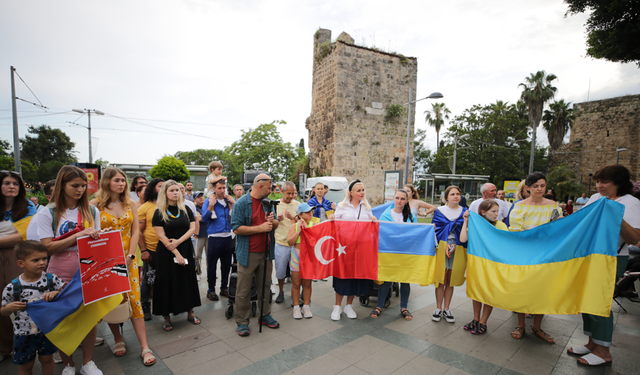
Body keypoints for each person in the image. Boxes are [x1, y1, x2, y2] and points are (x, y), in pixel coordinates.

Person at [568, 165, 640, 367]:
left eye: (605, 182)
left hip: (612, 258)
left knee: (600, 302)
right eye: (598, 181)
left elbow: (635, 237)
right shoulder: (595, 198)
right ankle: (593, 343)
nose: (599, 185)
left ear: (619, 183)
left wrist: (615, 214)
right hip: (590, 256)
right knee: (588, 301)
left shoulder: (630, 203)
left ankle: (604, 352)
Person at [37, 165, 103, 375]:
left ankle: (87, 363)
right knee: (63, 317)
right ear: (62, 185)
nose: (81, 190)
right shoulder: (48, 212)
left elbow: (98, 242)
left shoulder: (92, 210)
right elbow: (46, 247)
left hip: (88, 267)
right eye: (75, 185)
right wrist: (77, 236)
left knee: (89, 317)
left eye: (84, 185)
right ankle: (68, 364)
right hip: (60, 269)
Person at [89, 168, 155, 366]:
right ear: (107, 182)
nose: (122, 184)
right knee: (113, 300)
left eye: (123, 181)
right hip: (105, 260)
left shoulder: (131, 203)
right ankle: (118, 338)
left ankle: (145, 346)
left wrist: (130, 255)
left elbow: (136, 231)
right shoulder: (94, 205)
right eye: (117, 180)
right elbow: (91, 233)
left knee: (135, 300)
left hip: (129, 258)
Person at [508, 172, 561, 344]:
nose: (539, 189)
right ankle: (521, 324)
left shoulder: (553, 205)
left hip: (546, 255)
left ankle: (537, 327)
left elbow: (557, 228)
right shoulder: (519, 206)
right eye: (536, 186)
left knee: (542, 290)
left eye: (543, 185)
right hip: (524, 254)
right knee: (522, 289)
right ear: (528, 188)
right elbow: (516, 232)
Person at [1, 241, 64, 375]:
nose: (41, 262)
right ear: (21, 263)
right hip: (23, 333)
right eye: (35, 260)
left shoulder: (51, 279)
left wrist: (56, 292)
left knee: (47, 359)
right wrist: (9, 308)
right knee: (25, 365)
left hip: (47, 330)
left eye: (44, 258)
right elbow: (3, 311)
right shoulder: (13, 287)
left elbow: (66, 293)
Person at [230, 174, 280, 336]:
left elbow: (275, 224)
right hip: (248, 253)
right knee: (243, 290)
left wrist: (272, 222)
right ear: (260, 186)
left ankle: (264, 315)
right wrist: (260, 228)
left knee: (265, 287)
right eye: (269, 187)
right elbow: (236, 228)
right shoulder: (242, 203)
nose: (271, 190)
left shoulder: (268, 203)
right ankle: (242, 321)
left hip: (266, 252)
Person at [152, 180, 201, 331]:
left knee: (187, 279)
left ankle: (190, 312)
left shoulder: (185, 208)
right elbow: (161, 236)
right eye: (171, 190)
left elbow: (192, 228)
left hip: (185, 247)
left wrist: (179, 242)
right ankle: (166, 317)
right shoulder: (159, 211)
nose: (175, 193)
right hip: (167, 252)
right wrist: (176, 252)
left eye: (177, 190)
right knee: (167, 282)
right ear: (165, 193)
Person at [0, 171, 37, 363]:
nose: (11, 186)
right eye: (7, 183)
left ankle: (26, 343)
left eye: (15, 183)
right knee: (2, 303)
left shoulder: (28, 207)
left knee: (22, 299)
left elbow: (26, 235)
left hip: (17, 256)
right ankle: (4, 347)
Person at [329, 179, 375, 320]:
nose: (362, 193)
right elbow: (335, 225)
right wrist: (331, 217)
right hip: (344, 248)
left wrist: (373, 220)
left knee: (354, 276)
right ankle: (337, 306)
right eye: (359, 190)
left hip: (360, 248)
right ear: (351, 193)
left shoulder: (367, 207)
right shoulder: (342, 206)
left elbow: (370, 228)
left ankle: (349, 305)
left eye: (363, 190)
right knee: (342, 276)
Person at [460, 199, 507, 335]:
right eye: (493, 211)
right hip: (476, 264)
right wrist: (466, 222)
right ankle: (475, 319)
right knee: (476, 292)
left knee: (488, 293)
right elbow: (463, 239)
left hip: (492, 265)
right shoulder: (476, 225)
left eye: (498, 211)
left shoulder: (501, 225)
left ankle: (483, 322)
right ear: (483, 212)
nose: (496, 214)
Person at [370, 189, 417, 320]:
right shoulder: (385, 215)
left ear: (407, 200)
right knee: (386, 280)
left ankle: (404, 308)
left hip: (405, 254)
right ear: (393, 199)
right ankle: (379, 306)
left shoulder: (411, 217)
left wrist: (430, 229)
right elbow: (380, 233)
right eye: (397, 198)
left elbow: (417, 233)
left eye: (402, 199)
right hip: (389, 253)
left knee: (405, 281)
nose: (399, 201)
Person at [431, 185, 468, 324]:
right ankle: (438, 308)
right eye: (452, 194)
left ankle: (447, 308)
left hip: (458, 246)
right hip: (442, 246)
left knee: (451, 279)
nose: (456, 196)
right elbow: (435, 230)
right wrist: (445, 243)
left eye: (458, 194)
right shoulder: (439, 211)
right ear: (446, 197)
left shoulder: (465, 212)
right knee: (441, 279)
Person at [201, 179, 236, 301]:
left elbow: (237, 216)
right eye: (219, 188)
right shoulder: (209, 201)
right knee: (212, 265)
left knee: (226, 265)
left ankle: (224, 287)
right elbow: (204, 219)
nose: (222, 190)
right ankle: (211, 290)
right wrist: (211, 206)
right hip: (214, 238)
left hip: (228, 237)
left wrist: (234, 203)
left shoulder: (228, 201)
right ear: (214, 189)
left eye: (223, 188)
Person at [137, 178, 165, 321]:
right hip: (151, 250)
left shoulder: (168, 206)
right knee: (148, 280)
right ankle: (145, 306)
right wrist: (144, 251)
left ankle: (165, 306)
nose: (164, 188)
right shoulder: (144, 208)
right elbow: (139, 232)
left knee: (165, 279)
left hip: (167, 249)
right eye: (160, 186)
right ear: (153, 189)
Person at [286, 203, 319, 319]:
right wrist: (298, 231)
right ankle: (296, 307)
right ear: (300, 215)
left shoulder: (314, 225)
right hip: (297, 256)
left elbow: (315, 241)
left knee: (307, 284)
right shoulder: (293, 226)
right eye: (307, 212)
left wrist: (306, 227)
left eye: (311, 211)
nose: (311, 213)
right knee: (296, 283)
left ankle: (306, 306)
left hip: (309, 257)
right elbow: (290, 242)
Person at [274, 182, 300, 304]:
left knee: (296, 271)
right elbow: (270, 222)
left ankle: (297, 292)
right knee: (280, 269)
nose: (291, 196)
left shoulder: (298, 205)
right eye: (288, 193)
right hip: (281, 242)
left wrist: (293, 218)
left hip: (295, 243)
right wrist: (276, 220)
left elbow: (302, 221)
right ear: (282, 192)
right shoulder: (276, 205)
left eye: (293, 193)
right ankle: (281, 290)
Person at [193, 191, 207, 281]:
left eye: (202, 196)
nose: (201, 198)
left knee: (210, 255)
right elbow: (198, 219)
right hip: (199, 235)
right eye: (198, 197)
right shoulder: (194, 208)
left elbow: (207, 218)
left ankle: (209, 272)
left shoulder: (208, 206)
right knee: (198, 256)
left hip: (209, 234)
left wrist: (203, 217)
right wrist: (204, 217)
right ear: (195, 199)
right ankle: (198, 272)